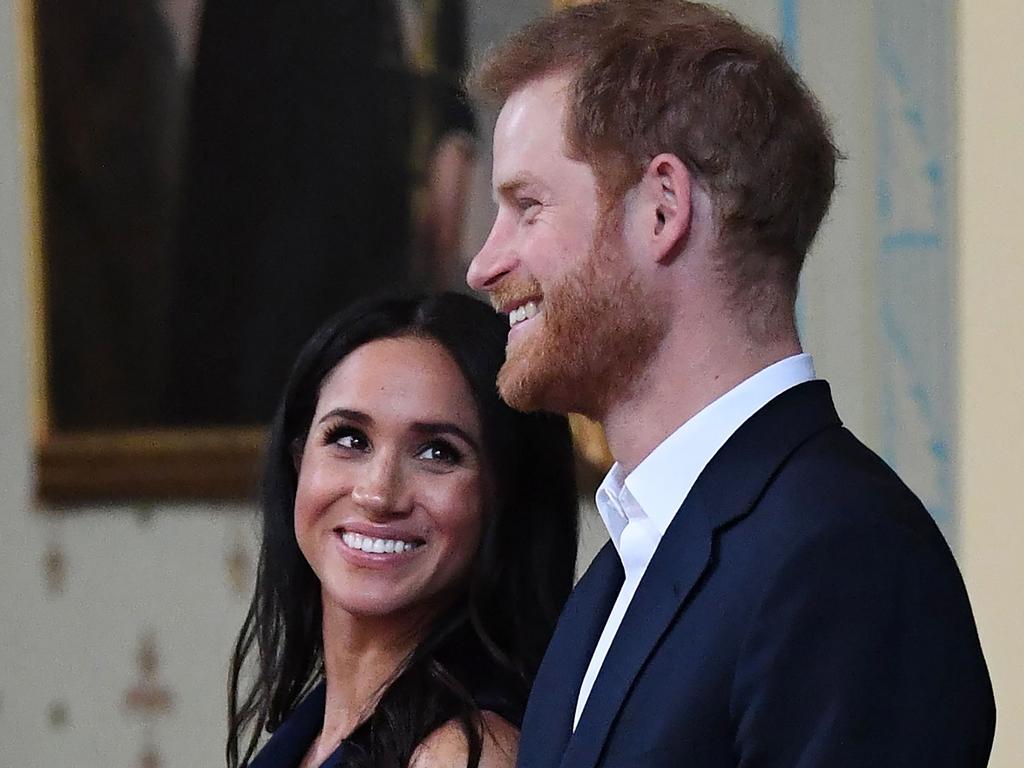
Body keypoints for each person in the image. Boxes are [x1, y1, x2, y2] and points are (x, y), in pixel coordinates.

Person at [465, 2, 995, 766]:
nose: (484, 264)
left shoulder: (844, 557)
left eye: (526, 206)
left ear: (663, 208)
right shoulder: (619, 576)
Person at [227, 292, 579, 768]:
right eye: (349, 439)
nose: (378, 494)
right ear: (298, 462)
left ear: (505, 493)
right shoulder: (317, 725)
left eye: (437, 452)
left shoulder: (464, 753)